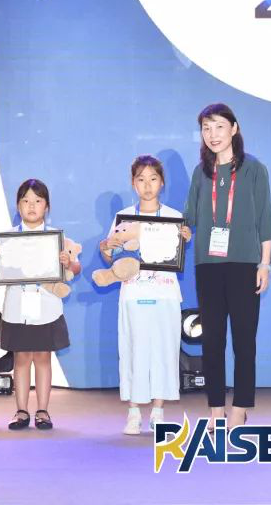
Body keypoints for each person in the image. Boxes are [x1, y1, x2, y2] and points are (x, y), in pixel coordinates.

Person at [181, 103, 271, 430]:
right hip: (208, 265)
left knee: (244, 341)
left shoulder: (254, 169)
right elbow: (189, 218)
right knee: (212, 342)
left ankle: (241, 407)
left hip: (244, 264)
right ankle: (216, 409)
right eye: (206, 128)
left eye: (219, 126)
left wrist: (265, 263)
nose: (213, 134)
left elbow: (265, 219)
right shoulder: (200, 173)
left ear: (234, 128)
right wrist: (172, 230)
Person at [99, 155, 183, 435]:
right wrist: (106, 246)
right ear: (133, 184)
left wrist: (183, 239)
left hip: (165, 293)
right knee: (133, 350)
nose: (147, 185)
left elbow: (176, 253)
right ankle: (134, 412)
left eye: (153, 179)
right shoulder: (123, 217)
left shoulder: (173, 217)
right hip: (134, 293)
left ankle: (158, 411)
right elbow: (110, 255)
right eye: (141, 179)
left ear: (162, 182)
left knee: (163, 351)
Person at [0, 179, 79, 431]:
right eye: (26, 201)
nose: (31, 206)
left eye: (37, 201)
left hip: (46, 307)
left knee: (42, 357)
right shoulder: (7, 238)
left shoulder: (57, 237)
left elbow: (76, 267)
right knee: (21, 359)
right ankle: (21, 411)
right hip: (17, 306)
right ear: (18, 206)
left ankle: (42, 411)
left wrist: (68, 262)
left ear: (46, 206)